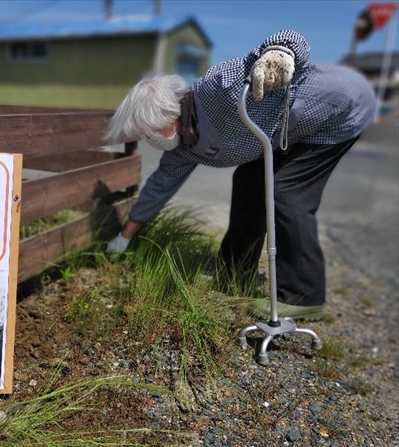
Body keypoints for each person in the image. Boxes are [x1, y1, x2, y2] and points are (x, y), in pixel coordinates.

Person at [105, 30, 376, 321]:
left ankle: (302, 295)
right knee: (248, 183)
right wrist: (124, 237)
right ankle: (233, 273)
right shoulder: (182, 149)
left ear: (166, 114)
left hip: (339, 109)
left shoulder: (218, 88)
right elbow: (158, 189)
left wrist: (278, 52)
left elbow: (289, 38)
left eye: (149, 132)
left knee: (285, 191)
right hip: (286, 133)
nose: (150, 140)